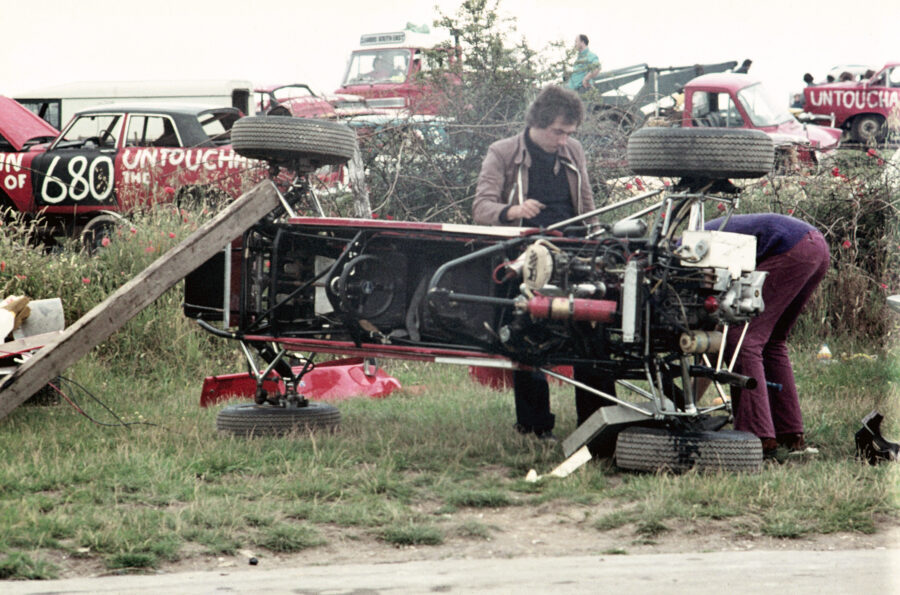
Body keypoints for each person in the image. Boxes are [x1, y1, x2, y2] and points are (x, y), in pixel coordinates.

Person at [473, 85, 615, 441]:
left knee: (591, 336)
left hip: (575, 255)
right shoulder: (502, 152)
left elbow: (587, 205)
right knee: (529, 339)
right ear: (537, 122)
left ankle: (599, 424)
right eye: (558, 132)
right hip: (526, 256)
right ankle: (535, 427)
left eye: (569, 133)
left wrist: (599, 244)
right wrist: (513, 211)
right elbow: (481, 209)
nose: (564, 140)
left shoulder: (573, 151)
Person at [704, 213, 829, 458]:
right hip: (816, 246)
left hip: (791, 248)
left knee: (741, 336)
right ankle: (790, 434)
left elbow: (712, 334)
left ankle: (757, 437)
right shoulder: (701, 234)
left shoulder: (681, 251)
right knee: (772, 340)